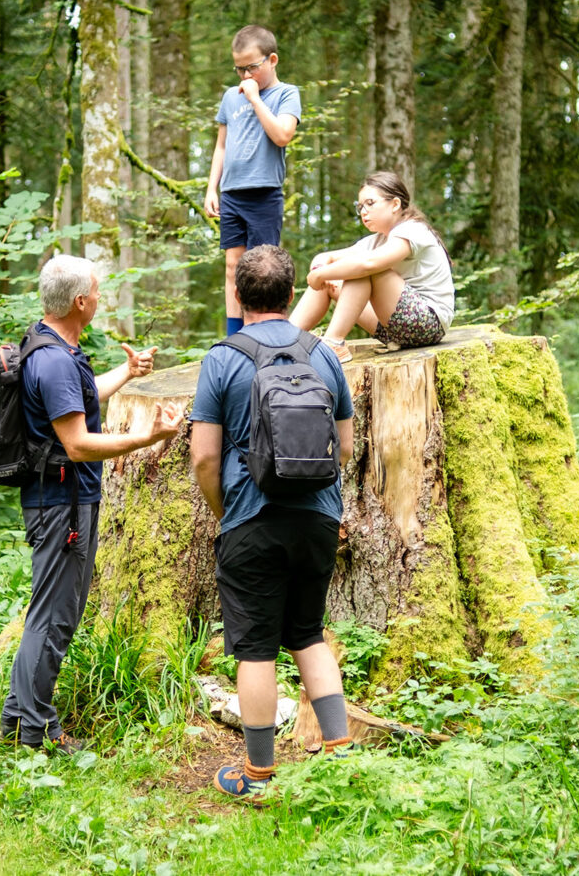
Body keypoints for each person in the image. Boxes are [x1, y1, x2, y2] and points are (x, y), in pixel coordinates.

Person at [190, 244, 356, 797]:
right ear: (290, 294)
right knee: (308, 633)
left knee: (256, 648)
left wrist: (226, 513)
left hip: (249, 519)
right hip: (316, 517)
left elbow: (204, 457)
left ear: (239, 295)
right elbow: (346, 447)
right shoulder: (324, 354)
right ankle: (341, 757)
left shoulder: (222, 358)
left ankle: (257, 773)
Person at [0, 254, 183, 753]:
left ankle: (20, 719)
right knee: (54, 618)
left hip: (64, 500)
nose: (99, 299)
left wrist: (124, 372)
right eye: (97, 292)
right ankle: (33, 732)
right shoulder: (55, 360)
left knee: (51, 614)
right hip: (62, 505)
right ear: (80, 301)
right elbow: (78, 442)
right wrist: (145, 437)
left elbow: (76, 402)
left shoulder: (53, 347)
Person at [290, 171, 455, 364]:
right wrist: (320, 271)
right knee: (337, 276)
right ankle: (285, 340)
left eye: (370, 203)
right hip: (394, 328)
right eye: (360, 206)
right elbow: (327, 257)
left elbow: (369, 264)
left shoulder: (413, 229)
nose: (363, 211)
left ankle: (334, 342)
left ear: (395, 204)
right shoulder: (377, 240)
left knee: (365, 269)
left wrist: (319, 274)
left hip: (427, 324)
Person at [203, 25, 302, 337]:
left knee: (264, 269)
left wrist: (256, 99)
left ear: (272, 60)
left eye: (252, 68)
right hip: (232, 192)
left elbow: (283, 135)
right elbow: (221, 145)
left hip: (264, 192)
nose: (245, 76)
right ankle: (236, 337)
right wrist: (211, 188)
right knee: (233, 267)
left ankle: (267, 334)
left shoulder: (286, 94)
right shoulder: (230, 98)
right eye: (239, 69)